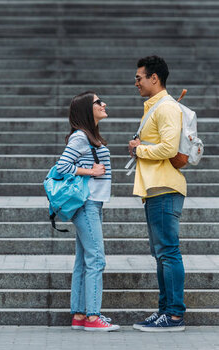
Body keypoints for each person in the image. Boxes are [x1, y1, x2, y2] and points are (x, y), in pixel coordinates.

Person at [128, 55, 187, 332]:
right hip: (155, 189)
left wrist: (139, 149)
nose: (135, 82)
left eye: (139, 77)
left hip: (164, 187)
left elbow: (169, 148)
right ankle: (165, 310)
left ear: (155, 78)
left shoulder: (165, 107)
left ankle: (174, 314)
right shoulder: (155, 106)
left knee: (168, 252)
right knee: (161, 253)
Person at [56, 91, 119, 332]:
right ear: (86, 110)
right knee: (96, 259)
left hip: (92, 203)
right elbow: (62, 166)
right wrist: (91, 172)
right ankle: (93, 317)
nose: (104, 104)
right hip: (87, 203)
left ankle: (80, 315)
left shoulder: (87, 137)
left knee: (83, 260)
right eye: (98, 102)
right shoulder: (81, 137)